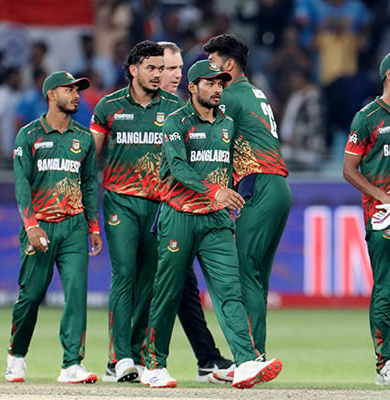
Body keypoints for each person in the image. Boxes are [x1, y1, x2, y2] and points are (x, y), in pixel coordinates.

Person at [140, 60, 283, 389]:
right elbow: (177, 166)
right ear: (192, 88)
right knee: (168, 292)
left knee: (230, 292)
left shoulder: (229, 124)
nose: (218, 89)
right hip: (179, 216)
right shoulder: (176, 123)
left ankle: (246, 361)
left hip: (217, 222)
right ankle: (154, 364)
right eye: (210, 83)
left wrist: (241, 190)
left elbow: (241, 161)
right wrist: (215, 190)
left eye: (221, 84)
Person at [90, 40, 183, 383]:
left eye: (163, 69)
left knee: (149, 283)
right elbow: (89, 159)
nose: (159, 75)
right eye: (152, 68)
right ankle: (120, 357)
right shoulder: (109, 106)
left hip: (161, 205)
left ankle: (138, 353)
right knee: (125, 275)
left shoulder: (175, 107)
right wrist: (88, 211)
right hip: (121, 201)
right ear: (133, 70)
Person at [5, 71, 102, 384]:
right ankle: (16, 355)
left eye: (78, 90)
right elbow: (21, 183)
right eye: (69, 90)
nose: (76, 95)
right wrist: (30, 225)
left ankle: (72, 364)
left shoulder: (84, 138)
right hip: (40, 227)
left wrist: (93, 226)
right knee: (31, 295)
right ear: (50, 94)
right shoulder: (29, 135)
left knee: (76, 293)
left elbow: (88, 184)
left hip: (74, 227)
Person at [203, 34, 291, 357]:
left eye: (212, 67)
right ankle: (258, 356)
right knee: (256, 278)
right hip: (277, 185)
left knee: (242, 275)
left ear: (228, 66)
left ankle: (251, 357)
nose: (207, 77)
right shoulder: (255, 92)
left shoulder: (230, 97)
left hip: (260, 184)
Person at [157, 40, 235, 383]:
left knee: (182, 291)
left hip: (197, 208)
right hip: (156, 208)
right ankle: (132, 360)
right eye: (165, 68)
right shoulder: (165, 115)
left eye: (176, 67)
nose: (171, 74)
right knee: (150, 286)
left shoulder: (207, 114)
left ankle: (207, 359)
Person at [342, 50, 390, 385]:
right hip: (383, 216)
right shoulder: (367, 117)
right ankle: (384, 363)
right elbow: (348, 169)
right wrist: (384, 197)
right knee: (387, 289)